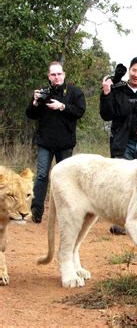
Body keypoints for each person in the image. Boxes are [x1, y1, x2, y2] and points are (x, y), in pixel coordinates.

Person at [26, 61, 86, 223]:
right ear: (49, 76)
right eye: (53, 74)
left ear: (64, 75)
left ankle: (66, 212)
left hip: (65, 143)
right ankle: (36, 210)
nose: (56, 77)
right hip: (45, 141)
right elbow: (31, 114)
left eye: (59, 74)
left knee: (65, 179)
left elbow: (80, 111)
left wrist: (62, 106)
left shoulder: (74, 92)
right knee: (42, 175)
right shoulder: (42, 92)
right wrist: (35, 102)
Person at [100, 56, 137, 235]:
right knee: (122, 183)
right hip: (122, 142)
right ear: (129, 70)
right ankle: (121, 222)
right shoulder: (118, 89)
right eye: (134, 70)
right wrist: (106, 92)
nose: (136, 74)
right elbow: (106, 115)